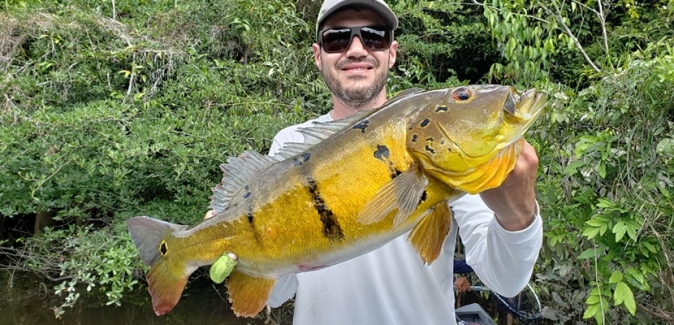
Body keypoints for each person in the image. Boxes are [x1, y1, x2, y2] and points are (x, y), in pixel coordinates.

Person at [208, 0, 543, 324]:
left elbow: (504, 280)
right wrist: (242, 253)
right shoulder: (290, 144)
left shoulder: (457, 162)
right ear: (317, 55)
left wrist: (518, 215)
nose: (356, 49)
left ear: (391, 52)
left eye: (373, 36)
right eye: (337, 38)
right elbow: (278, 294)